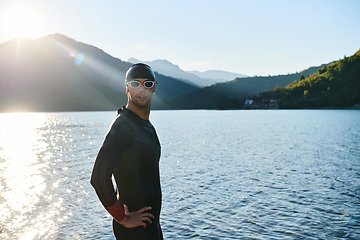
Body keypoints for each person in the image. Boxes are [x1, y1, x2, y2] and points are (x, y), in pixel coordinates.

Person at [90, 63, 163, 239]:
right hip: (134, 229)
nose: (141, 89)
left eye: (147, 84)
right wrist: (123, 219)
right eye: (135, 83)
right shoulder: (123, 127)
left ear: (154, 88)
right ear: (127, 89)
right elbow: (99, 177)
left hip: (149, 224)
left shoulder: (144, 124)